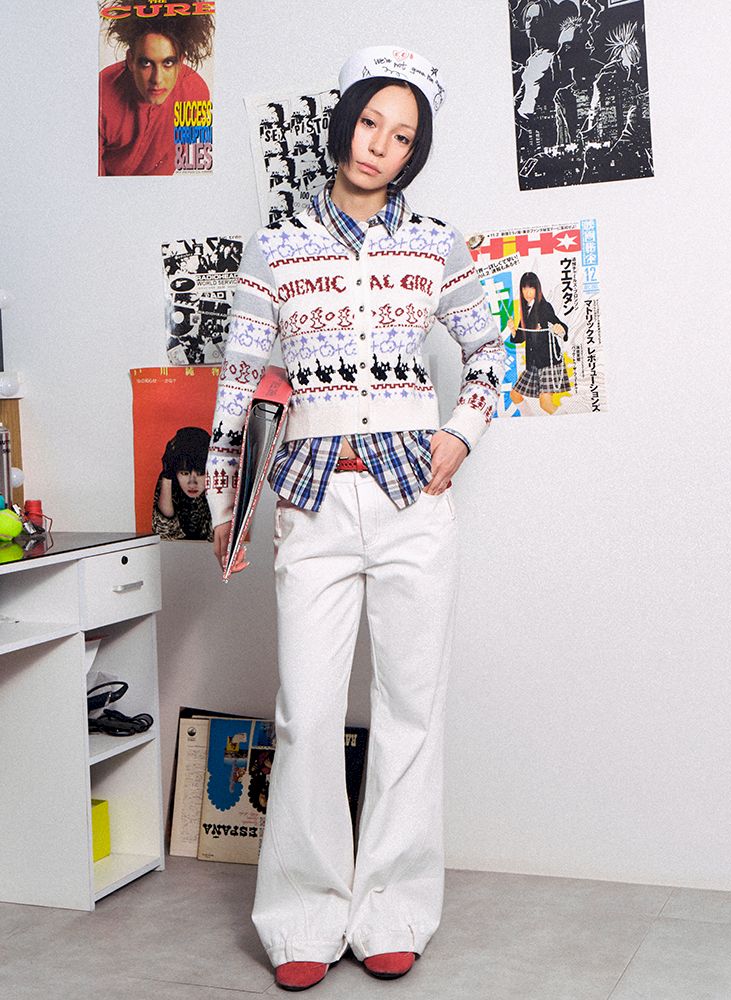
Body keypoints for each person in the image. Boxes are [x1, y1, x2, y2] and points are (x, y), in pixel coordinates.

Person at [206, 45, 504, 992]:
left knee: (412, 710)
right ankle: (302, 916)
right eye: (371, 122)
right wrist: (225, 502)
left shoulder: (438, 245)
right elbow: (241, 384)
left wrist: (459, 434)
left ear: (416, 152)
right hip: (313, 503)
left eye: (403, 136)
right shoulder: (276, 248)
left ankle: (392, 911)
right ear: (344, 123)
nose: (381, 146)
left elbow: (493, 354)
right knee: (305, 712)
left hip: (414, 502)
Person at [98, 7, 213, 176]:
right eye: (146, 63)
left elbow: (180, 165)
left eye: (168, 63)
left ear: (181, 61)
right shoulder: (101, 96)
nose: (157, 79)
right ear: (130, 60)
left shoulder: (196, 93)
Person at [508, 271, 571, 413]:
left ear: (537, 289)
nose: (527, 292)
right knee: (515, 395)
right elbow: (521, 337)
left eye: (531, 288)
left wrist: (560, 329)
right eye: (524, 288)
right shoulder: (526, 309)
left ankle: (567, 421)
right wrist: (513, 330)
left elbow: (559, 325)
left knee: (545, 403)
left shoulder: (544, 306)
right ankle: (529, 418)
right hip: (533, 363)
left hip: (548, 362)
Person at [152, 426, 212, 540]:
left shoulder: (220, 482)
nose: (192, 483)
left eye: (200, 473)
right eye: (184, 473)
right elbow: (164, 534)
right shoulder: (168, 480)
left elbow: (219, 538)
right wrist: (167, 475)